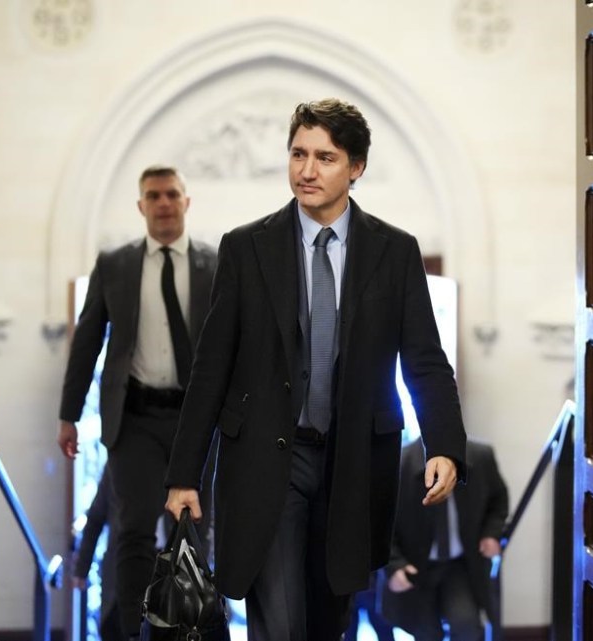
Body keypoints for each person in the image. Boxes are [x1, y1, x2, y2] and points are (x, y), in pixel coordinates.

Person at [164, 98, 467, 641]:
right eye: (298, 154)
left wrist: (443, 445)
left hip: (354, 463)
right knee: (280, 625)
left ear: (356, 167)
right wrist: (185, 473)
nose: (307, 170)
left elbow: (424, 359)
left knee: (329, 625)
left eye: (325, 158)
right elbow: (211, 368)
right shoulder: (245, 248)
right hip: (266, 463)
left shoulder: (395, 252)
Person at [57, 165, 219, 639]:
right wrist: (68, 415)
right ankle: (133, 632)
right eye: (154, 195)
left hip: (196, 419)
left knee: (194, 531)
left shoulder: (216, 263)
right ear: (141, 206)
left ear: (186, 202)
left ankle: (187, 630)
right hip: (135, 419)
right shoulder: (116, 265)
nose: (163, 203)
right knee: (133, 532)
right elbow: (87, 343)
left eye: (171, 194)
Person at [380, 438, 509, 641]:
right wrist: (394, 565)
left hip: (459, 564)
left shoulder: (480, 457)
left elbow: (498, 501)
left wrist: (491, 533)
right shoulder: (400, 462)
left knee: (466, 624)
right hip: (415, 565)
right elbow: (381, 522)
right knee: (425, 632)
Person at [72, 470, 127, 641]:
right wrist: (82, 567)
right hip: (119, 573)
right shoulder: (116, 465)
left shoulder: (174, 463)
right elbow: (96, 518)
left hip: (160, 570)